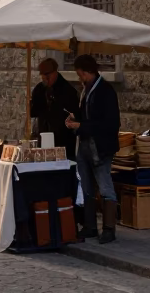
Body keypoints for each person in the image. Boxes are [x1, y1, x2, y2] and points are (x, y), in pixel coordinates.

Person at [65, 54, 121, 244]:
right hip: (85, 147)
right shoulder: (87, 90)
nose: (80, 78)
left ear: (89, 72)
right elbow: (86, 116)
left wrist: (80, 126)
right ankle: (90, 226)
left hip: (101, 148)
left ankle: (109, 228)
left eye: (81, 75)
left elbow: (108, 124)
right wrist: (75, 118)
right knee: (86, 187)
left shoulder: (105, 91)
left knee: (105, 186)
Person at [29, 58, 80, 161]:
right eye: (43, 76)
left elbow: (74, 114)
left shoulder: (68, 90)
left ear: (55, 73)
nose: (46, 79)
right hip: (44, 137)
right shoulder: (39, 89)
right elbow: (34, 112)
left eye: (48, 76)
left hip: (63, 140)